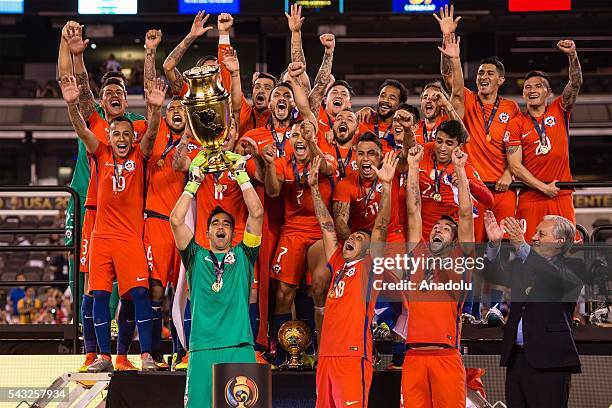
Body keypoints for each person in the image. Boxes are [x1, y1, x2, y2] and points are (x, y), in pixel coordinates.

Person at [60, 73, 166, 372]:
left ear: (133, 137)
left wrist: (156, 109)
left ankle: (145, 354)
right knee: (98, 295)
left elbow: (153, 131)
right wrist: (71, 104)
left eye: (126, 135)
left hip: (131, 238)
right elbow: (82, 129)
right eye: (116, 134)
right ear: (109, 136)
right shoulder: (100, 152)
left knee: (141, 294)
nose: (121, 139)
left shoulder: (140, 154)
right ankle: (103, 357)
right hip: (101, 238)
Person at [169, 150, 264, 408]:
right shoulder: (194, 257)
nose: (220, 227)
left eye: (226, 224)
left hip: (239, 346)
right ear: (208, 232)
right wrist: (194, 181)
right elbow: (175, 220)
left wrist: (242, 175)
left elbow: (256, 214)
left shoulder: (245, 255)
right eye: (215, 224)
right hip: (202, 349)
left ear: (233, 233)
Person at [312, 151, 398, 408]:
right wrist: (314, 188)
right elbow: (327, 225)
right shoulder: (338, 262)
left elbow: (381, 226)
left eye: (360, 239)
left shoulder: (372, 266)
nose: (352, 238)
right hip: (326, 355)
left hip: (353, 355)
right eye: (352, 236)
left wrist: (387, 185)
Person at [436, 5, 521, 244]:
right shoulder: (466, 97)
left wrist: (508, 173)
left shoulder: (511, 108)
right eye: (481, 73)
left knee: (502, 246)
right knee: (470, 243)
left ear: (501, 80)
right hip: (471, 186)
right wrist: (447, 39)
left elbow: (516, 146)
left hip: (502, 188)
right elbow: (448, 75)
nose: (483, 77)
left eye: (490, 73)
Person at [483, 212, 584, 407]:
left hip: (550, 362)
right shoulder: (524, 265)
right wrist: (494, 244)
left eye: (541, 234)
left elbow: (551, 276)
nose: (534, 237)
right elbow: (493, 276)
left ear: (559, 242)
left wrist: (521, 245)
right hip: (517, 360)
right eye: (535, 232)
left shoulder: (574, 266)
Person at [401, 143, 475, 407]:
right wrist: (412, 165)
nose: (438, 230)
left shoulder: (461, 258)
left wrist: (459, 168)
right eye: (436, 226)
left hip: (446, 357)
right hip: (412, 359)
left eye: (446, 228)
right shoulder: (417, 255)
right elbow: (413, 211)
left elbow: (465, 215)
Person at [263, 120, 336, 363]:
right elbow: (273, 191)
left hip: (318, 231)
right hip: (292, 230)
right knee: (284, 293)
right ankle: (280, 353)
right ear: (289, 141)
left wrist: (312, 140)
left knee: (318, 287)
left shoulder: (323, 155)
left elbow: (326, 169)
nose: (300, 137)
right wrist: (270, 165)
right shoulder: (283, 163)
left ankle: (318, 349)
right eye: (294, 134)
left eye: (305, 133)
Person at [505, 40, 583, 241]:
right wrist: (543, 187)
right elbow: (515, 166)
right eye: (528, 87)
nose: (532, 90)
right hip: (531, 196)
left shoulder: (560, 109)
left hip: (561, 194)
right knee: (528, 249)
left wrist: (572, 55)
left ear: (548, 93)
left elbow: (575, 83)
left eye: (538, 86)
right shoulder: (515, 123)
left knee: (567, 249)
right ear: (523, 94)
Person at [415, 120, 492, 240]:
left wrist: (467, 184)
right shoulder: (424, 152)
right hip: (421, 232)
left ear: (459, 147)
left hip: (449, 235)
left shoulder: (463, 167)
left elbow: (488, 199)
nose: (442, 148)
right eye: (439, 141)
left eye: (449, 143)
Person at [163, 11, 232, 97]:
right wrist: (191, 36)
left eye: (216, 70)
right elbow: (168, 67)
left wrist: (224, 33)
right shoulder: (190, 94)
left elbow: (226, 66)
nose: (212, 73)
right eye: (208, 69)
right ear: (198, 76)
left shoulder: (227, 93)